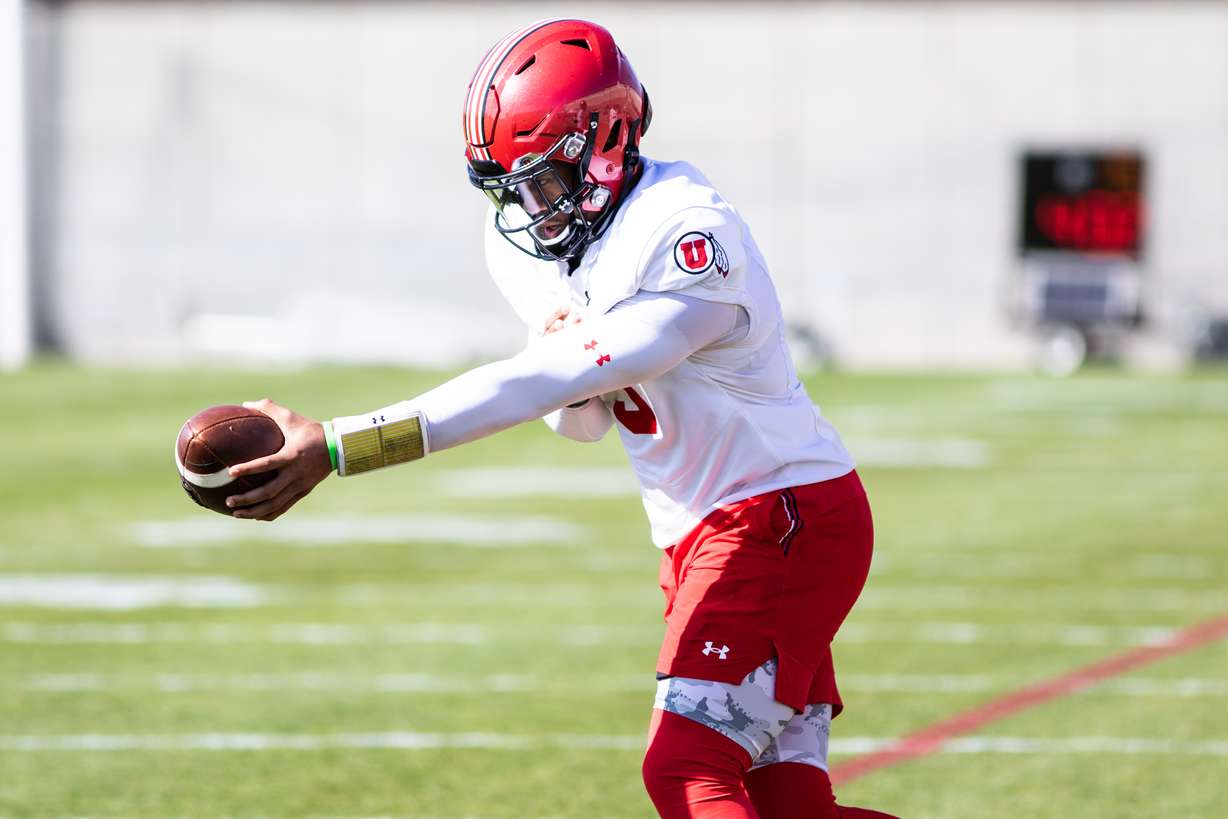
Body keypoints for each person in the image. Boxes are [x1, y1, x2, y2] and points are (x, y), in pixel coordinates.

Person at [225, 18, 899, 819]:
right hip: (709, 526)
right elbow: (580, 419)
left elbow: (541, 383)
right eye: (513, 186)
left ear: (607, 141)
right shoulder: (553, 235)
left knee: (686, 771)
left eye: (542, 180)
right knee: (788, 806)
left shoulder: (687, 233)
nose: (528, 209)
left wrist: (340, 445)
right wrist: (568, 363)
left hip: (777, 520)